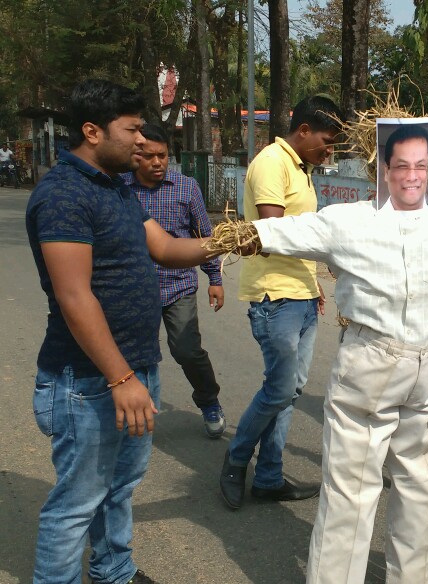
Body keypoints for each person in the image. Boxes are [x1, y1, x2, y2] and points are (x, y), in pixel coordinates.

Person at [239, 124, 428, 583]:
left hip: (377, 362)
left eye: (420, 166)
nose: (413, 176)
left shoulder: (350, 219)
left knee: (352, 491)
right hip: (427, 364)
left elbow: (266, 233)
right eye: (406, 166)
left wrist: (187, 246)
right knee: (416, 486)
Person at [26, 79, 222, 584]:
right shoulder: (63, 194)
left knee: (119, 486)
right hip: (89, 380)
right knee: (76, 503)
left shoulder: (114, 187)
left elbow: (164, 247)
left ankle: (113, 570)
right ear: (92, 131)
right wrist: (119, 378)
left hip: (134, 368)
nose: (141, 142)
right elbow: (75, 296)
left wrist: (243, 239)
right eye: (132, 129)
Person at [219, 95, 342, 510]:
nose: (329, 150)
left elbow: (300, 234)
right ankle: (237, 459)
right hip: (275, 294)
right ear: (303, 130)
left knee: (289, 391)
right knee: (279, 389)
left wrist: (314, 283)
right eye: (326, 140)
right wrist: (331, 250)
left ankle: (269, 477)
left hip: (301, 294)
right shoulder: (272, 161)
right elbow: (275, 232)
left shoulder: (302, 169)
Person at [123, 123, 227, 438]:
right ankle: (136, 413)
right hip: (135, 289)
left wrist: (214, 278)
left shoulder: (186, 187)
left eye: (163, 155)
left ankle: (209, 401)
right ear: (135, 155)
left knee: (186, 350)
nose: (157, 162)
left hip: (178, 286)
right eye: (149, 156)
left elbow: (204, 236)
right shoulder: (119, 187)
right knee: (135, 354)